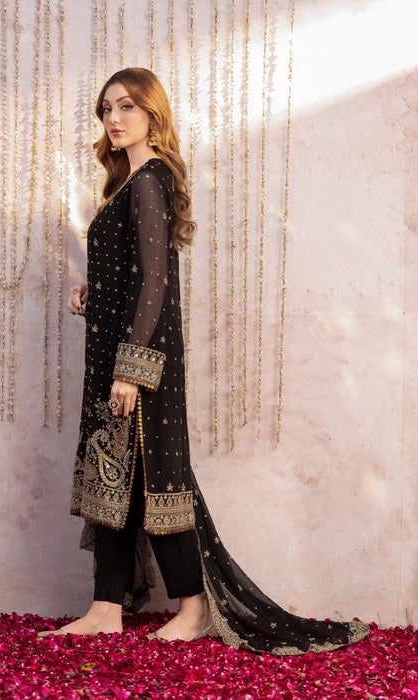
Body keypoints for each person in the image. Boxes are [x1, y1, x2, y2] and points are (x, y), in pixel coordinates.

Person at [39, 67, 370, 654]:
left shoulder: (150, 180)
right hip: (114, 352)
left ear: (152, 114)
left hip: (138, 362)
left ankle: (193, 609)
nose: (114, 118)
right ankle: (105, 608)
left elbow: (156, 283)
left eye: (127, 106)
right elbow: (132, 273)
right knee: (119, 475)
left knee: (159, 479)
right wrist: (92, 291)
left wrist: (131, 370)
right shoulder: (128, 181)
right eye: (107, 108)